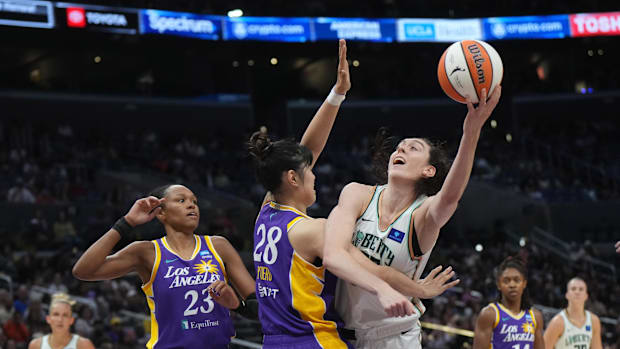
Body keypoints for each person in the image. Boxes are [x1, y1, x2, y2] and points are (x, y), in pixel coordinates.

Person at [248, 39, 458, 349]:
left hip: (275, 340)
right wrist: (413, 289)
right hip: (314, 339)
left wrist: (337, 93)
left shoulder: (266, 212)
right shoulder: (316, 230)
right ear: (292, 179)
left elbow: (306, 152)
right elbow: (371, 268)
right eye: (308, 172)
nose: (316, 173)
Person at [322, 84, 501, 348]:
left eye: (412, 148)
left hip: (394, 339)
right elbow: (334, 255)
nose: (400, 150)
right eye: (399, 148)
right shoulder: (357, 194)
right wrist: (406, 287)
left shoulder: (422, 215)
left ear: (428, 171)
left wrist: (471, 130)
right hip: (342, 337)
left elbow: (450, 197)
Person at [72, 184, 256, 349]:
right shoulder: (147, 252)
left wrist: (237, 305)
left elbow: (261, 308)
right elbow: (83, 271)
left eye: (194, 201)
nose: (192, 205)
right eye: (181, 200)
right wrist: (126, 223)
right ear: (161, 213)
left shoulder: (218, 246)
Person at [473, 256, 544, 349]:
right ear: (499, 284)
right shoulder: (489, 314)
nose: (512, 285)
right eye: (506, 281)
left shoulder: (535, 316)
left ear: (524, 283)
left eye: (517, 280)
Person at [543, 277, 602, 349]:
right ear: (567, 295)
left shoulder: (594, 321)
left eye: (581, 289)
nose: (577, 292)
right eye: (573, 289)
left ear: (586, 296)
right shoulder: (557, 322)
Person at [27, 293, 95, 349]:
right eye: (56, 314)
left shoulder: (84, 345)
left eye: (65, 315)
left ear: (71, 320)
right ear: (48, 319)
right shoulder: (36, 345)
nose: (60, 319)